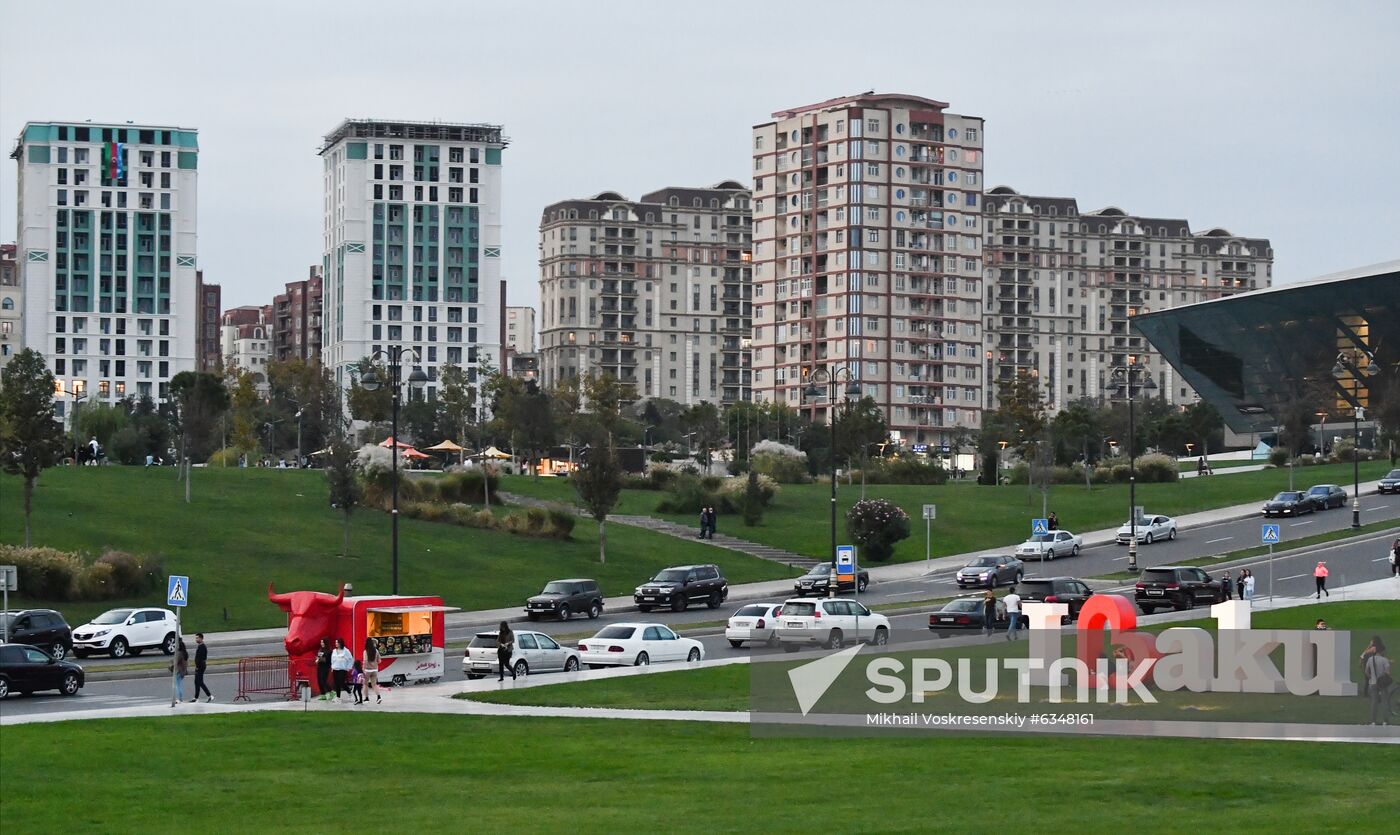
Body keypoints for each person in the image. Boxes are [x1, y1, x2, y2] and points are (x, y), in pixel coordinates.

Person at [1363, 637, 1392, 725]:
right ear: (1382, 651)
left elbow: (1366, 672)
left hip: (1373, 683)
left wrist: (1371, 677)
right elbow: (1388, 673)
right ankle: (1385, 720)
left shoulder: (1370, 659)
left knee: (1374, 702)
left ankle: (1373, 720)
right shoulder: (1384, 660)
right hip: (1382, 683)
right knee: (1384, 702)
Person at [191, 632, 213, 703]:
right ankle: (196, 697)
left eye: (197, 638)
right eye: (196, 638)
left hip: (200, 666)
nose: (196, 639)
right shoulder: (200, 646)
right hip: (199, 666)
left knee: (200, 682)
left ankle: (209, 695)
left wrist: (197, 666)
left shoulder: (202, 647)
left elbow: (201, 658)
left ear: (201, 638)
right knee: (196, 682)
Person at [363, 637, 382, 704]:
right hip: (375, 670)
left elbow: (365, 661)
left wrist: (363, 669)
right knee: (374, 684)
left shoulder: (365, 651)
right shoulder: (376, 651)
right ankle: (379, 697)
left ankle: (366, 699)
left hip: (367, 670)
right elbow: (379, 661)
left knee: (365, 684)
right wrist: (374, 663)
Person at [172, 639, 189, 704]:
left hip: (179, 671)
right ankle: (180, 699)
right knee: (179, 685)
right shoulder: (185, 653)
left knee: (178, 685)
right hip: (183, 671)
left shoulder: (179, 653)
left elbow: (175, 662)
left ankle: (179, 699)